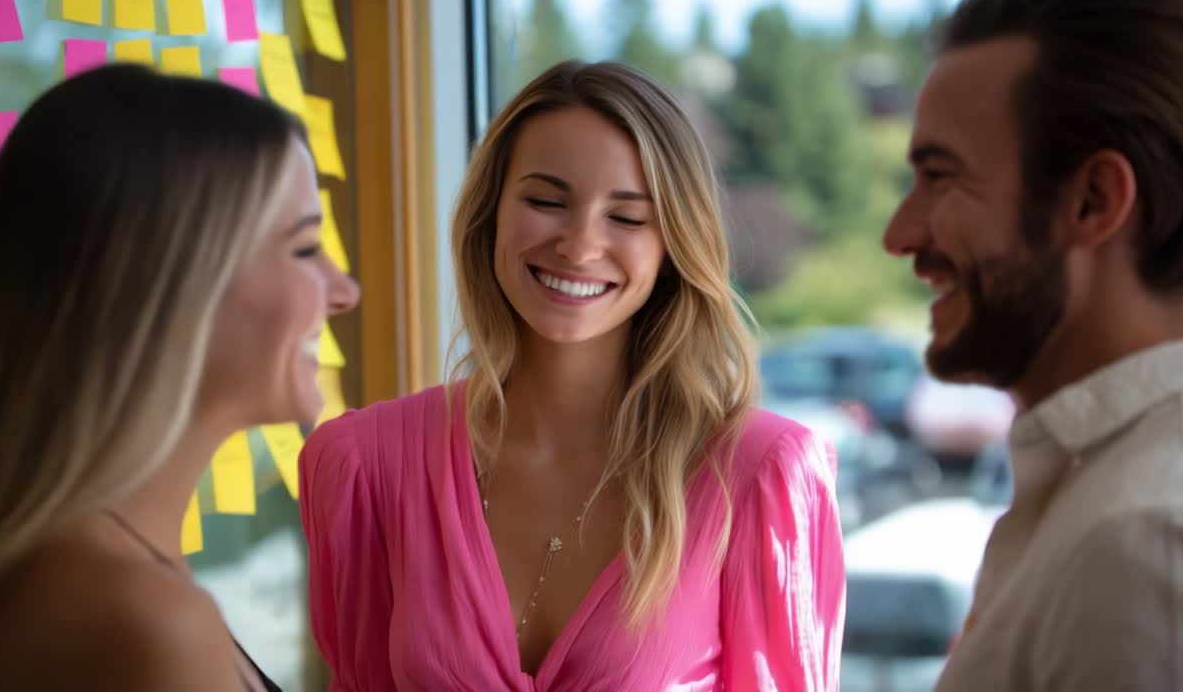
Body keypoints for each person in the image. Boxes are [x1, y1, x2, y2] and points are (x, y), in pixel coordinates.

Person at [299, 60, 846, 691]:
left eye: (628, 217)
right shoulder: (365, 464)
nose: (580, 245)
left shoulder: (761, 474)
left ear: (673, 246)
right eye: (545, 201)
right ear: (491, 215)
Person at [883, 0, 1183, 688]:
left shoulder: (1151, 545)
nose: (900, 234)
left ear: (1094, 200)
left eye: (941, 177)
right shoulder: (1135, 490)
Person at [0, 64, 360, 690]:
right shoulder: (147, 626)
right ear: (169, 286)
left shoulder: (81, 566)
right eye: (304, 248)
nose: (344, 292)